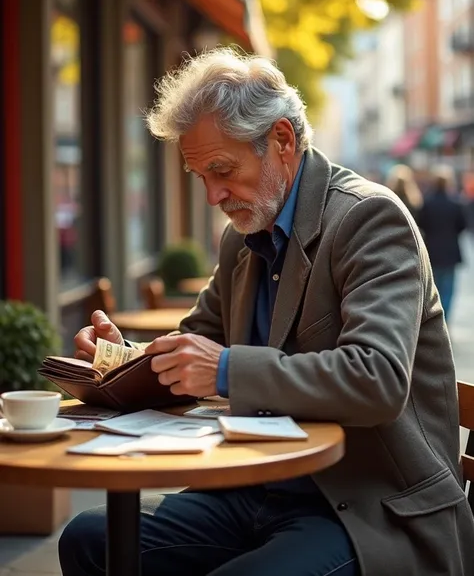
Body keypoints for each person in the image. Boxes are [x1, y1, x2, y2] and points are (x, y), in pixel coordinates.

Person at [60, 48, 474, 576]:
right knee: (90, 537)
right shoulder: (245, 235)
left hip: (366, 509)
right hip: (256, 490)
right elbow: (196, 345)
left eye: (222, 170)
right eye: (199, 175)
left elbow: (378, 378)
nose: (212, 195)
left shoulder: (369, 218)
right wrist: (126, 361)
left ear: (281, 140)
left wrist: (227, 369)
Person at [418, 165, 466, 323]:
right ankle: (446, 316)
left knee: (434, 287)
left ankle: (438, 317)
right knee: (449, 288)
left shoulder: (427, 202)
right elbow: (462, 225)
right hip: (451, 250)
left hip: (432, 249)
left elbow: (421, 223)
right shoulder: (456, 203)